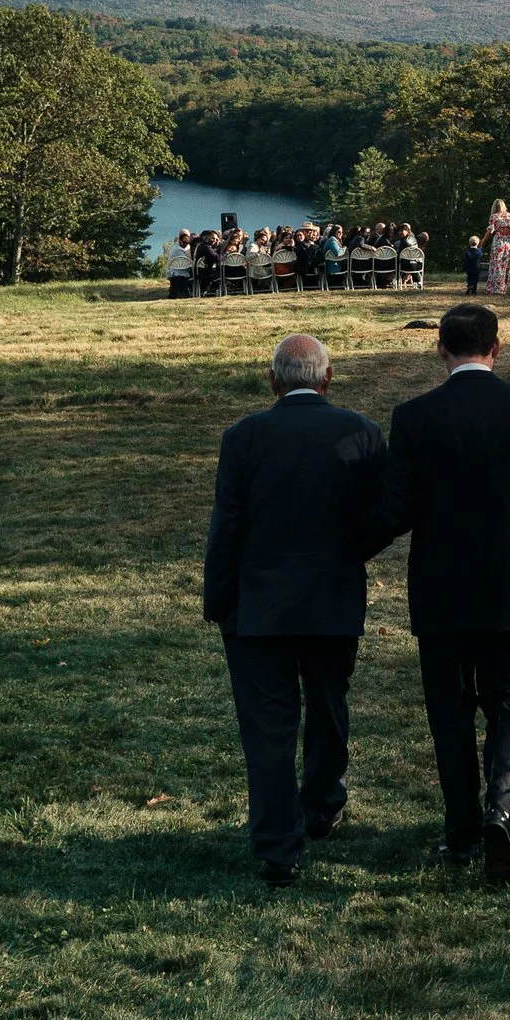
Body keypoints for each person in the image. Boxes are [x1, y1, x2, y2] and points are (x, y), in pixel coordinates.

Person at [373, 302, 510, 883]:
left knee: (449, 710)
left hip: (440, 585)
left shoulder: (414, 417)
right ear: (498, 348)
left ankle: (462, 828)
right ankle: (501, 806)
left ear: (440, 349)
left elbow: (394, 511)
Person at [203, 334, 392, 887]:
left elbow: (228, 525)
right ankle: (322, 803)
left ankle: (277, 844)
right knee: (330, 706)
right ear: (328, 379)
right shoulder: (361, 432)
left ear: (273, 381)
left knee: (267, 726)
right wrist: (349, 554)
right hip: (333, 593)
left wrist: (218, 599)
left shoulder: (245, 436)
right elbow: (380, 517)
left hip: (258, 602)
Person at [484, 198, 510, 295]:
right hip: (508, 242)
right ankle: (503, 288)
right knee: (506, 265)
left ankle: (494, 288)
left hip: (498, 242)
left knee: (496, 264)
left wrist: (483, 241)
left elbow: (490, 231)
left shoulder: (494, 217)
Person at [164, 230, 196, 299]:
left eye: (188, 243)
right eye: (184, 242)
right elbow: (187, 264)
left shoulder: (178, 247)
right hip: (178, 272)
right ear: (180, 240)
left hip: (174, 271)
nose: (186, 244)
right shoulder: (178, 249)